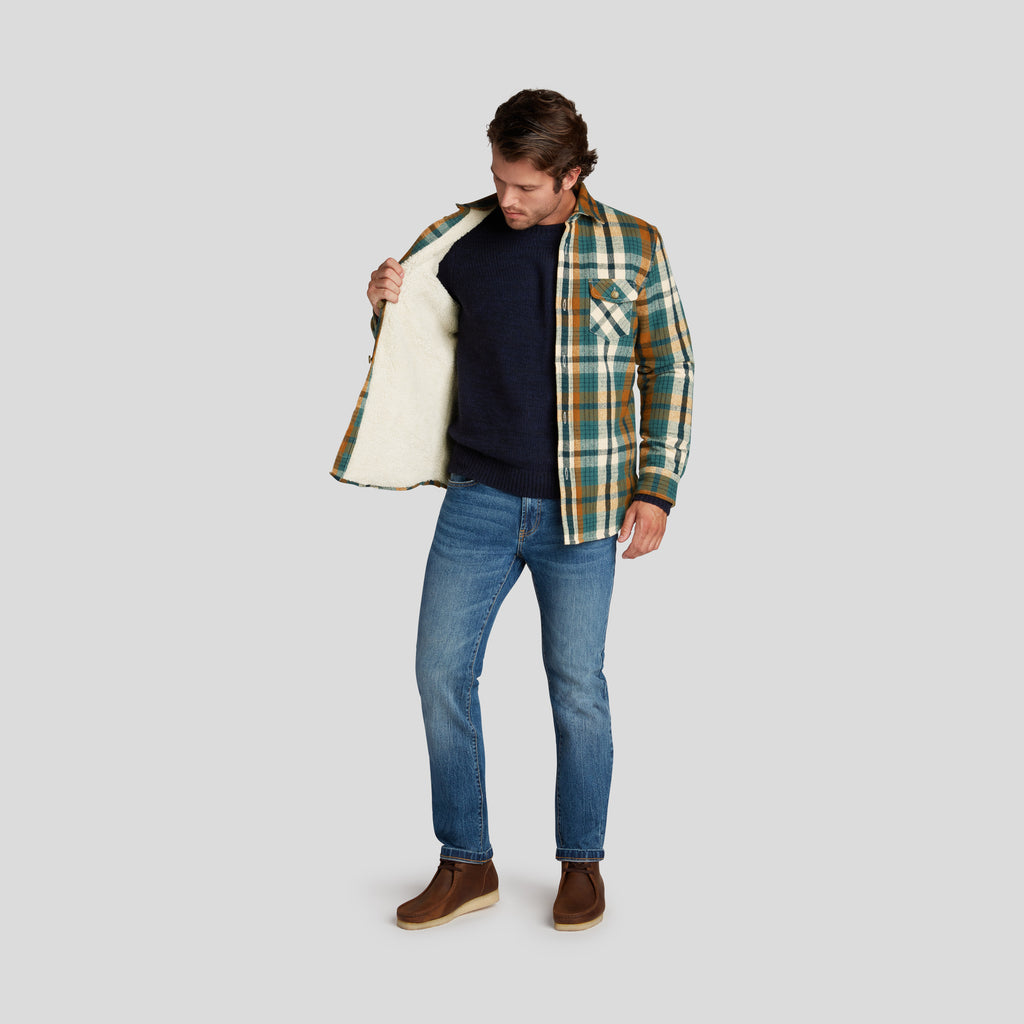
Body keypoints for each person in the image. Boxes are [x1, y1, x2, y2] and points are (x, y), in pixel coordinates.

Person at [331, 89, 693, 931]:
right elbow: (417, 349)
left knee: (577, 690)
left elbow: (670, 366)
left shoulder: (635, 244)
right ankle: (467, 862)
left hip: (586, 509)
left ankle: (581, 862)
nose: (507, 197)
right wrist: (383, 305)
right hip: (478, 501)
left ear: (572, 175)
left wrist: (657, 488)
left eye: (526, 185)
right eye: (499, 177)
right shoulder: (460, 239)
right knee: (439, 674)